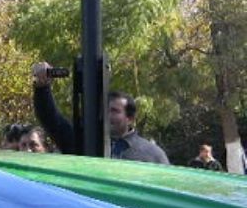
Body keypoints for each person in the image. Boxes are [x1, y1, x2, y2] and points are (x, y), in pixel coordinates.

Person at [31, 62, 169, 164]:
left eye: (114, 111)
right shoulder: (83, 143)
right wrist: (42, 88)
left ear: (130, 118)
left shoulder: (152, 155)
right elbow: (50, 119)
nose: (107, 115)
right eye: (104, 110)